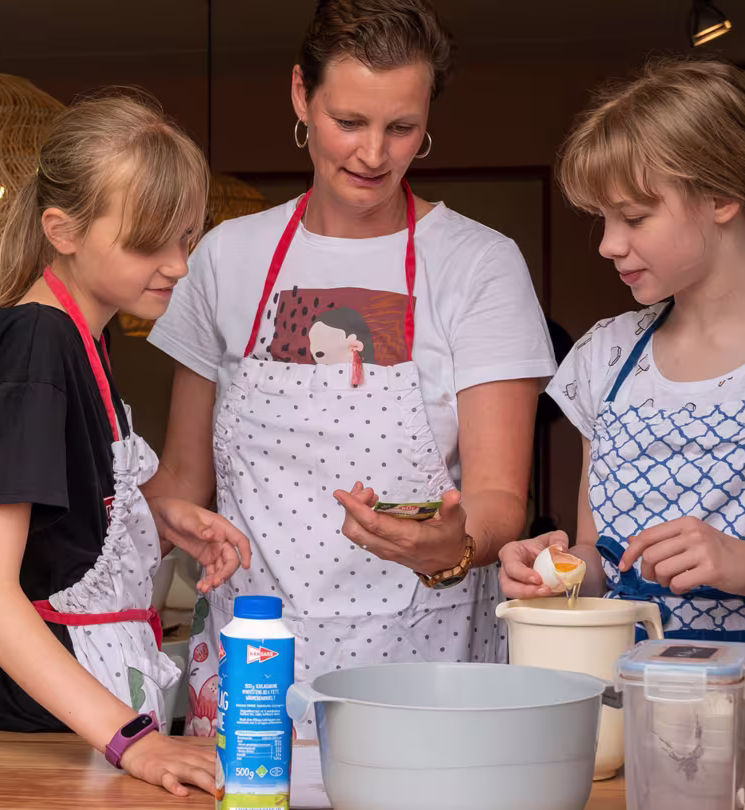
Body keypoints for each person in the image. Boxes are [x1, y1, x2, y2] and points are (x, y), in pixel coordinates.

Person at [145, 0, 556, 738]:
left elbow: (500, 498)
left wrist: (453, 547)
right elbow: (181, 483)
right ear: (302, 94)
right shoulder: (224, 259)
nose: (374, 154)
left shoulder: (478, 265)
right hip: (252, 658)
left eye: (402, 128)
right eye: (350, 122)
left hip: (422, 660)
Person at [497, 58, 745, 757]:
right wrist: (556, 569)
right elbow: (602, 562)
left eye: (634, 217)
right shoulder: (605, 358)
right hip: (630, 725)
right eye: (602, 219)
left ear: (721, 197)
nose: (607, 245)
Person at [0, 90, 252, 798]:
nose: (179, 266)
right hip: (24, 734)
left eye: (187, 239)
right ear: (63, 231)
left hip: (61, 726)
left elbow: (56, 537)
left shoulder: (78, 336)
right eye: (148, 242)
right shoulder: (41, 341)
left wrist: (158, 518)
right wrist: (132, 741)